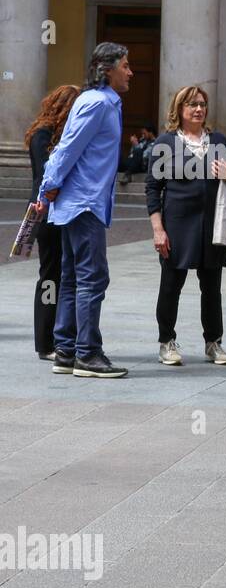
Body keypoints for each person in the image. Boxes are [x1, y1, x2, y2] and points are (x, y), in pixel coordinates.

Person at [36, 42, 132, 379]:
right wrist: (46, 191)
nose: (130, 72)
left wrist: (48, 192)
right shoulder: (97, 104)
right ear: (107, 70)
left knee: (74, 277)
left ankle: (65, 349)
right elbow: (66, 150)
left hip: (81, 202)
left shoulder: (100, 102)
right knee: (92, 277)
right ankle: (87, 354)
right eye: (125, 65)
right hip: (84, 203)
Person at [147, 85, 226, 367]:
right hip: (177, 225)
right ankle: (166, 341)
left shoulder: (219, 141)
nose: (198, 109)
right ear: (179, 109)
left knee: (212, 289)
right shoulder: (166, 142)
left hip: (212, 226)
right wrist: (158, 230)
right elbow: (153, 189)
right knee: (171, 286)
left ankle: (214, 342)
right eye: (192, 104)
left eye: (202, 104)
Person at [24, 84, 81, 360]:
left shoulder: (62, 134)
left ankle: (63, 335)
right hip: (45, 212)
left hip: (62, 211)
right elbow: (44, 176)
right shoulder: (42, 135)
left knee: (65, 275)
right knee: (50, 276)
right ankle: (45, 341)